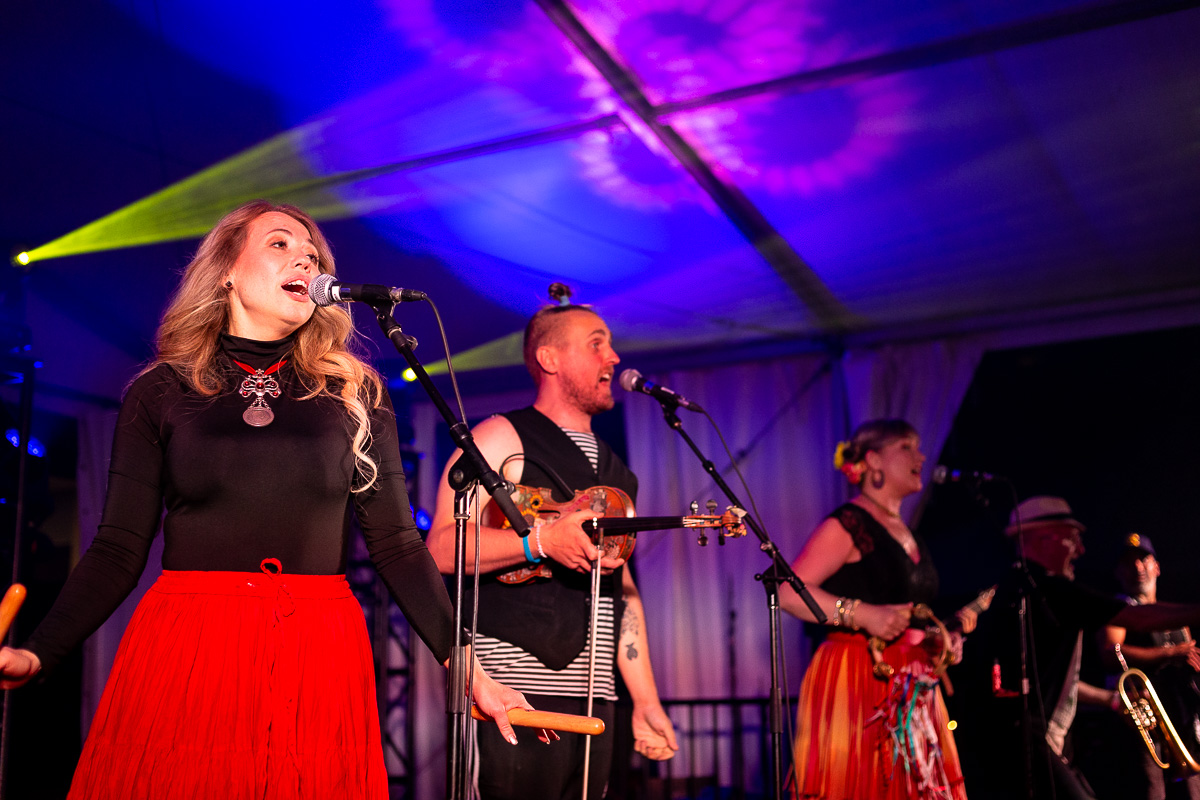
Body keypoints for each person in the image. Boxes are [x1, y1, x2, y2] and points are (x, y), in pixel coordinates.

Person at [0, 200, 530, 798]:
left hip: (317, 643)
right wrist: (40, 653)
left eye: (312, 253)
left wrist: (466, 666)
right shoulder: (161, 390)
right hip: (194, 638)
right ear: (226, 269)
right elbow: (119, 547)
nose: (304, 256)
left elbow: (398, 546)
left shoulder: (352, 393)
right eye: (280, 244)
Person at [426, 298, 678, 799]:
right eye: (597, 344)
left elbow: (622, 591)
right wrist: (539, 540)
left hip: (595, 697)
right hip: (509, 691)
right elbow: (440, 547)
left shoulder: (618, 473)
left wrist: (646, 701)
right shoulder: (501, 436)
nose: (613, 358)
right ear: (550, 359)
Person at [960, 497, 1200, 800]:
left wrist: (1110, 699)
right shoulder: (1048, 589)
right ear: (1045, 539)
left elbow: (1058, 681)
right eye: (1073, 540)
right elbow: (1136, 619)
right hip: (1032, 736)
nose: (1081, 551)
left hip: (1047, 736)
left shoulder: (1025, 588)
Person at [779, 419, 969, 800]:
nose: (921, 456)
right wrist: (862, 614)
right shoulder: (849, 523)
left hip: (913, 680)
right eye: (906, 446)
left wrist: (937, 639)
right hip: (859, 674)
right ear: (874, 461)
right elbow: (788, 591)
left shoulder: (906, 530)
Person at [1081, 533, 1200, 799]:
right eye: (1128, 563)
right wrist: (1170, 653)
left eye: (1143, 560)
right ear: (1118, 572)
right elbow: (1110, 653)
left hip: (1182, 720)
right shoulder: (1117, 610)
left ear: (1156, 566)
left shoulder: (1174, 616)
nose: (1137, 567)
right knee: (1151, 790)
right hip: (1144, 725)